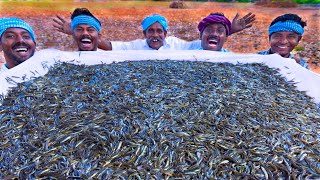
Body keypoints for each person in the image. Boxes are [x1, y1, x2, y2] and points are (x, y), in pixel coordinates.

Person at [53, 12, 255, 51]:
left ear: (166, 34)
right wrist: (77, 33)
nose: (155, 35)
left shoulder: (178, 45)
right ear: (144, 34)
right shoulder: (136, 46)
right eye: (151, 31)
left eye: (159, 31)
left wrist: (231, 31)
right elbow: (109, 45)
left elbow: (207, 41)